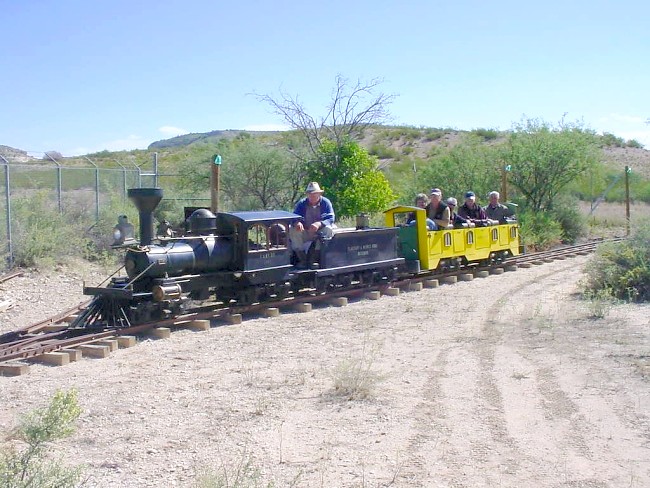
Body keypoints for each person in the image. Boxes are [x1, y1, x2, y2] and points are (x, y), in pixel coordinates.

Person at [290, 182, 335, 268]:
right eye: (310, 194)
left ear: (319, 194)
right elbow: (294, 217)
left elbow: (331, 218)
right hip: (306, 232)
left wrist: (319, 224)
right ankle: (303, 260)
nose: (312, 196)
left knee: (328, 229)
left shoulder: (325, 203)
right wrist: (297, 223)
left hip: (320, 232)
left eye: (314, 194)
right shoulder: (301, 204)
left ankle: (316, 259)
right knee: (293, 230)